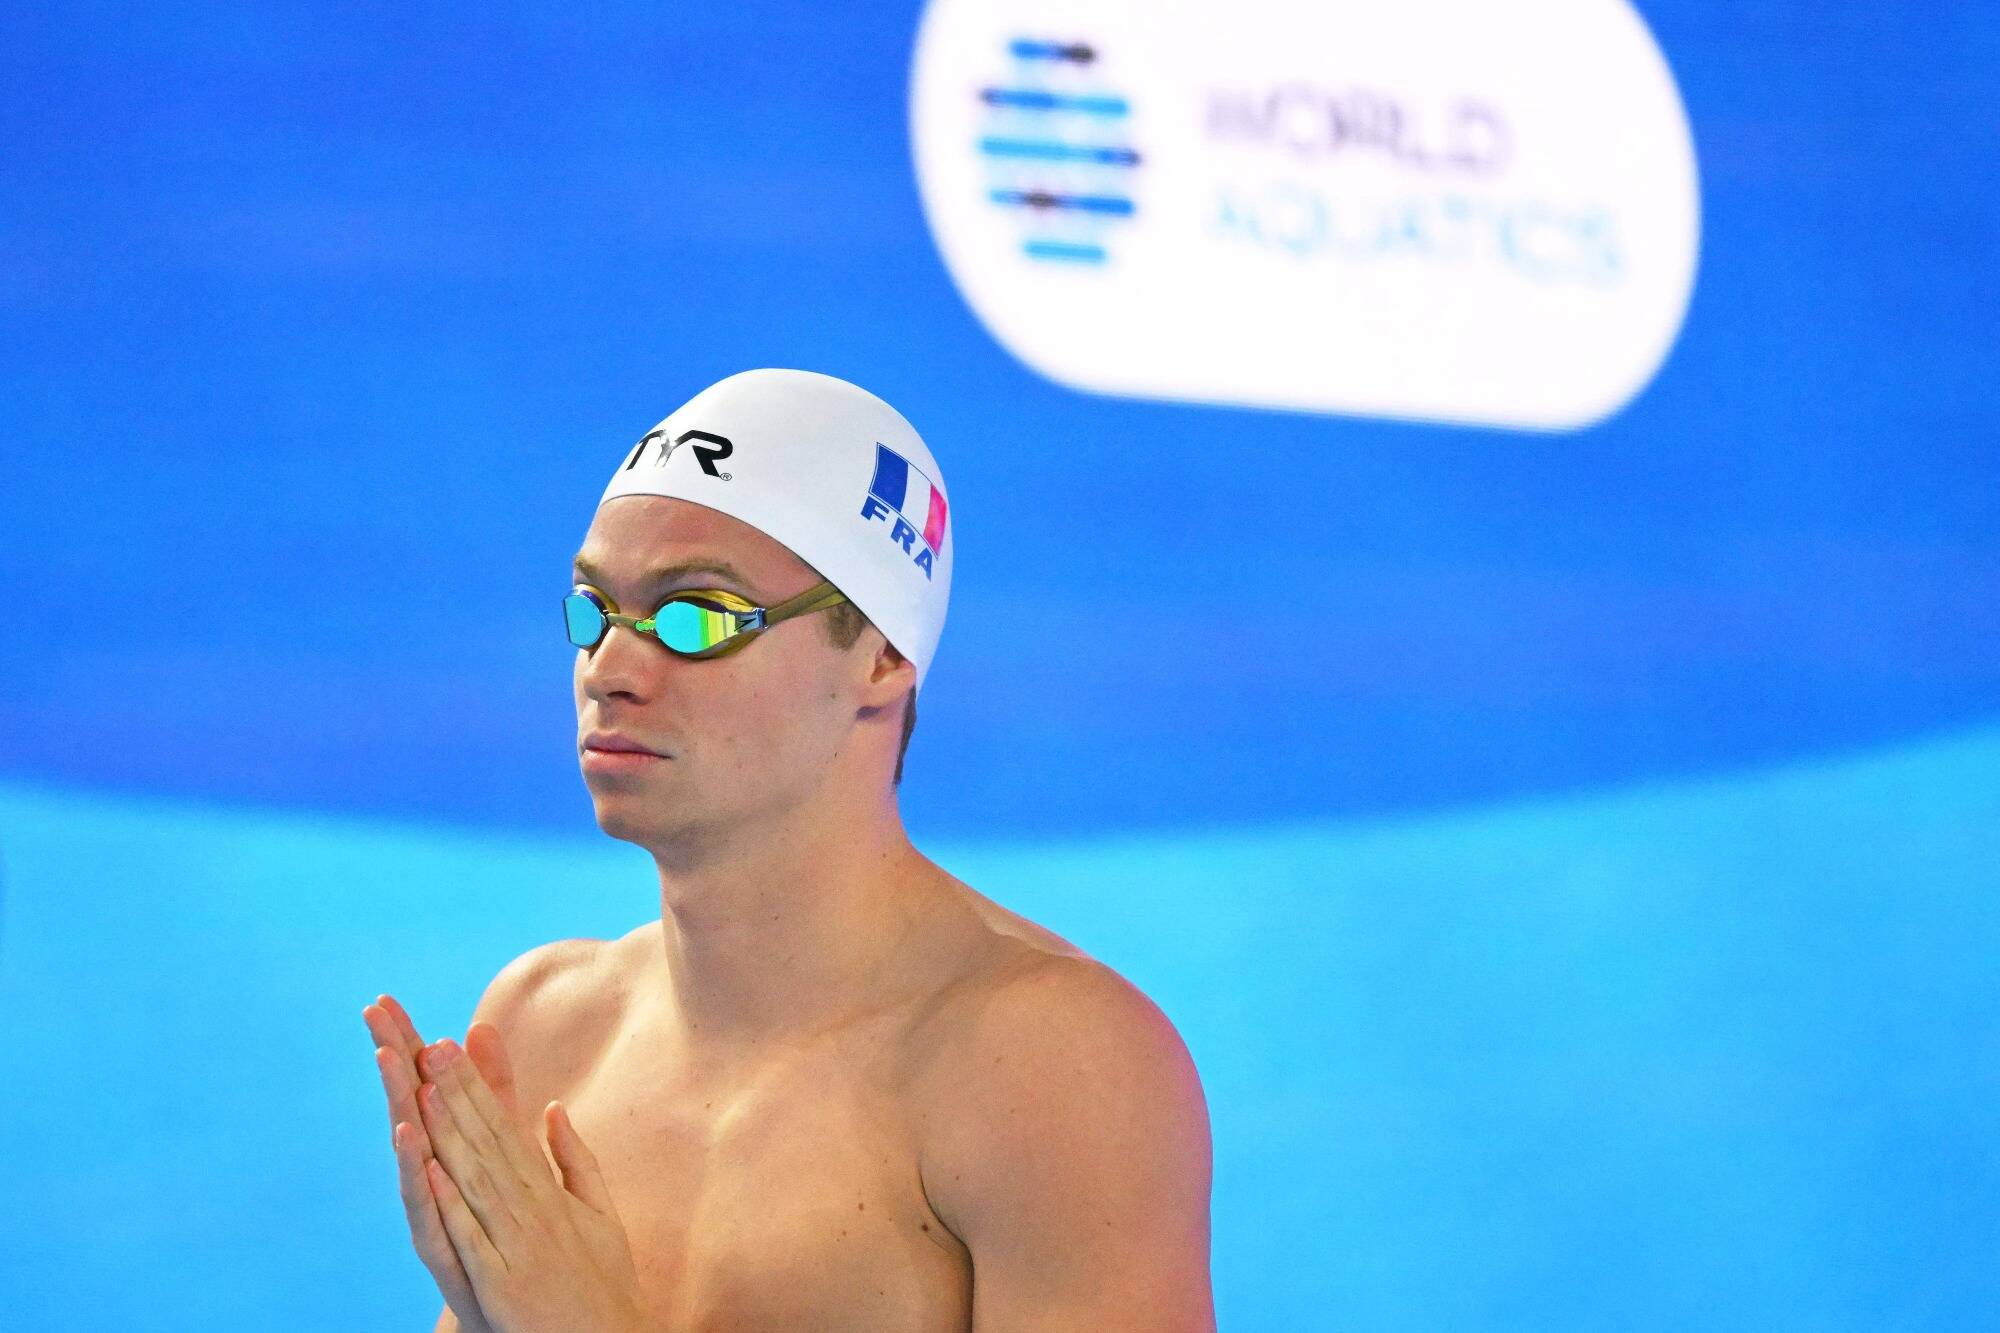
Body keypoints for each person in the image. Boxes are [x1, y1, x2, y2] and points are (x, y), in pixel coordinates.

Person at [363, 368, 1214, 1331]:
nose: (610, 668)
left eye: (696, 620)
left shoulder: (1044, 1069)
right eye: (592, 611)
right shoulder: (546, 1028)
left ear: (884, 656)